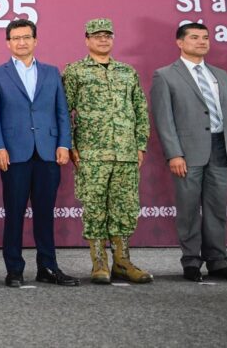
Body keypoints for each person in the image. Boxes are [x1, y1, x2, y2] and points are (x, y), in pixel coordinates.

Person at [151, 22, 227, 282]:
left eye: (205, 37)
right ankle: (191, 261)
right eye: (194, 37)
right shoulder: (165, 75)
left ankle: (218, 261)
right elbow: (163, 119)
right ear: (180, 42)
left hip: (221, 148)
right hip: (187, 152)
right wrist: (174, 153)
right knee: (189, 209)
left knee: (217, 209)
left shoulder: (221, 75)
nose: (202, 42)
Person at [0, 19, 78, 288]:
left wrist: (64, 144)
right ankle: (14, 269)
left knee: (45, 214)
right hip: (14, 154)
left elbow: (62, 111)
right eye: (16, 38)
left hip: (48, 152)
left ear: (35, 40)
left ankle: (48, 267)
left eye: (26, 37)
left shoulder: (51, 72)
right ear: (8, 43)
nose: (21, 42)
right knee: (14, 214)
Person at [63, 19, 153, 284]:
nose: (103, 39)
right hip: (92, 154)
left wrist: (140, 144)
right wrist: (71, 145)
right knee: (94, 208)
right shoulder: (75, 71)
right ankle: (99, 263)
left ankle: (122, 262)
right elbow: (64, 111)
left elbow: (140, 110)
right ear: (87, 39)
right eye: (97, 35)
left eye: (107, 35)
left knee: (125, 208)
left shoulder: (127, 72)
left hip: (125, 153)